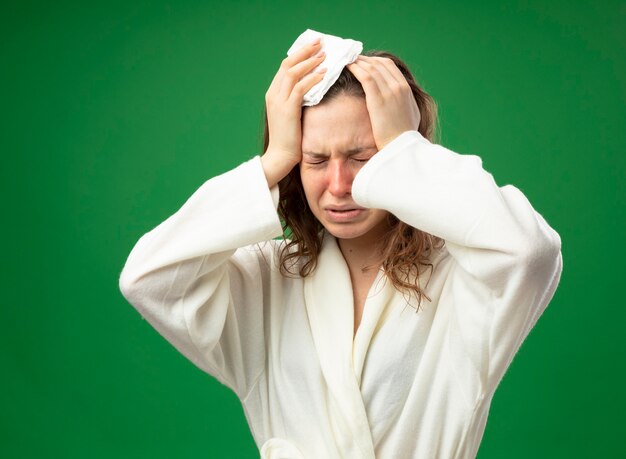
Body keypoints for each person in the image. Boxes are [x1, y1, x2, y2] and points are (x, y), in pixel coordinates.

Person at [119, 37, 563, 459]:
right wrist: (272, 161)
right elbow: (149, 279)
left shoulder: (461, 279)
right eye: (314, 160)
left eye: (363, 157)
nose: (338, 185)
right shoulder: (266, 281)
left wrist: (405, 147)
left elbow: (528, 253)